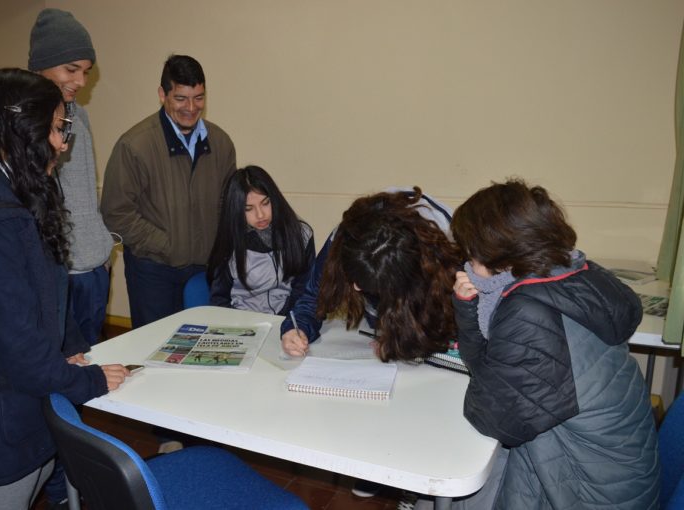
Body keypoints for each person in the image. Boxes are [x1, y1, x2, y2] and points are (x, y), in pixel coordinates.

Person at [0, 68, 129, 509]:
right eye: (54, 129)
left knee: (42, 470)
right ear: (17, 131)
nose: (61, 143)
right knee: (13, 490)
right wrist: (85, 379)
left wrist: (71, 345)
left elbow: (44, 288)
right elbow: (16, 341)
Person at [451, 179, 659, 509]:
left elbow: (492, 418)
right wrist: (469, 306)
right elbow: (493, 378)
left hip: (594, 492)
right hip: (623, 469)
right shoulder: (573, 272)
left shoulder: (529, 310)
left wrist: (478, 307)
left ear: (501, 257)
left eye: (471, 255)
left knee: (462, 480)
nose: (468, 265)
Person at [101, 54, 237, 329]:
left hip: (205, 270)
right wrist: (168, 246)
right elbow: (116, 213)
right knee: (155, 352)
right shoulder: (134, 145)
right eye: (181, 98)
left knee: (205, 351)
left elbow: (230, 205)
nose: (191, 107)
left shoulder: (221, 143)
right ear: (163, 94)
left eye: (198, 97)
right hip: (153, 272)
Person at [280, 187, 458, 361]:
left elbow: (454, 320)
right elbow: (313, 296)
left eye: (371, 284)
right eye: (354, 277)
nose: (356, 287)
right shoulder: (346, 237)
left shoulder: (445, 244)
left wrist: (402, 342)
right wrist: (298, 328)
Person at [28, 8, 115, 347]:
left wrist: (103, 251)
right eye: (71, 69)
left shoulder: (80, 117)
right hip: (55, 277)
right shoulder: (18, 123)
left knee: (86, 370)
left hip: (94, 271)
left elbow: (86, 195)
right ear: (40, 66)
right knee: (56, 375)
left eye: (86, 71)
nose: (81, 81)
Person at [207, 165, 315, 315]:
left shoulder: (301, 234)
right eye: (248, 209)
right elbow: (220, 301)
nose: (260, 215)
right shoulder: (229, 241)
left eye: (265, 203)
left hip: (288, 319)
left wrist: (286, 322)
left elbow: (305, 289)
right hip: (242, 322)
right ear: (236, 210)